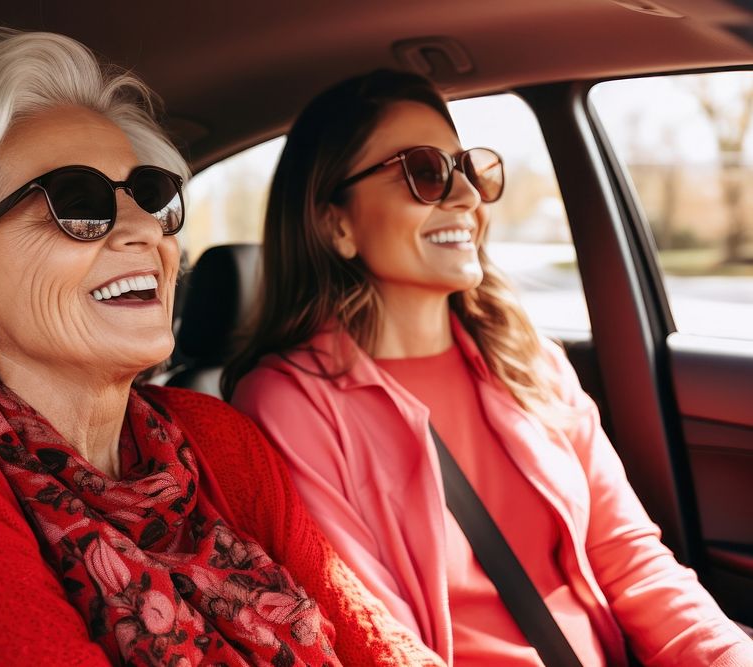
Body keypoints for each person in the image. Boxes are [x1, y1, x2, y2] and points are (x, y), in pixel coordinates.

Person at [0, 31, 444, 666]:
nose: (144, 230)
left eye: (149, 195)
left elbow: (379, 647)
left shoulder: (218, 440)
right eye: (77, 204)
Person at [224, 69, 753, 666]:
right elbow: (372, 632)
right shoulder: (289, 403)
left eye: (468, 170)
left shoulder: (531, 362)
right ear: (335, 224)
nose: (467, 197)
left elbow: (629, 556)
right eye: (424, 172)